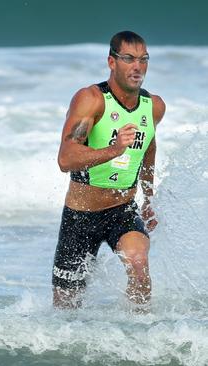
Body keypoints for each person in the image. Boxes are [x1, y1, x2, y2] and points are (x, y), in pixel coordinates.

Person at [52, 31, 165, 309]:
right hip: (80, 216)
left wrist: (148, 197)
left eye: (143, 59)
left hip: (122, 210)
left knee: (139, 263)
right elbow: (65, 159)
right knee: (65, 308)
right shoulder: (91, 99)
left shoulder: (154, 107)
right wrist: (113, 150)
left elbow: (148, 149)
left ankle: (140, 335)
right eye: (128, 58)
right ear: (112, 62)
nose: (137, 66)